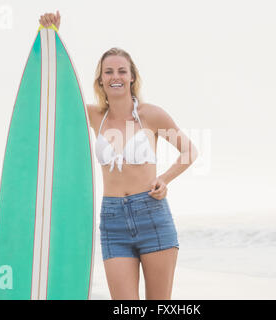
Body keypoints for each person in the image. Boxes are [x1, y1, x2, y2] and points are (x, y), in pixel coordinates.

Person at [39, 11, 198, 300]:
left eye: (122, 71)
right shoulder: (94, 115)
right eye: (108, 72)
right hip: (112, 219)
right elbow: (56, 90)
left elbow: (189, 151)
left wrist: (164, 178)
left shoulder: (152, 115)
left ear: (132, 76)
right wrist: (52, 37)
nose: (115, 77)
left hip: (152, 215)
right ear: (100, 80)